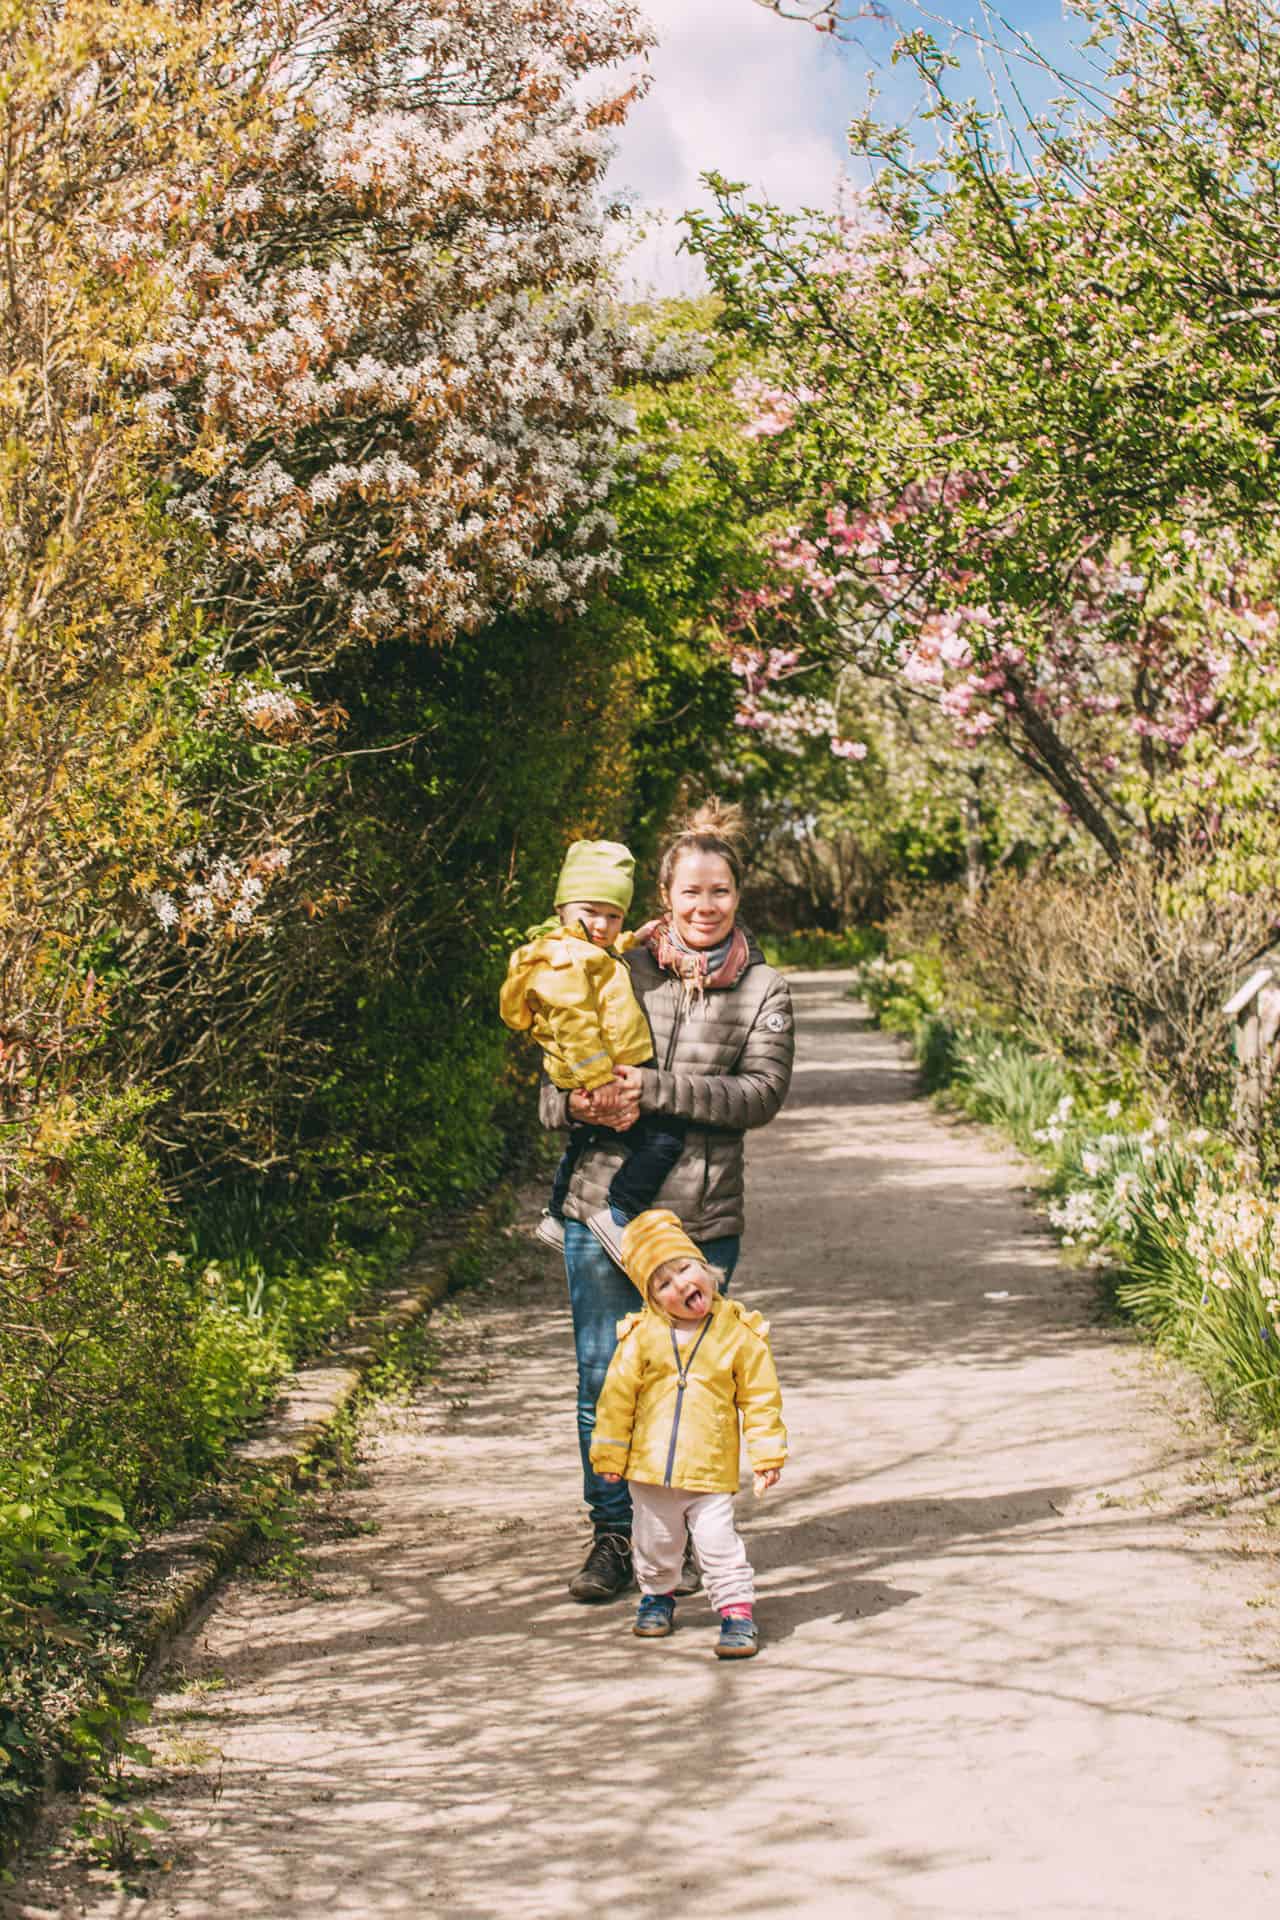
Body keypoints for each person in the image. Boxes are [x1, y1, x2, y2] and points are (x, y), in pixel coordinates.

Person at [541, 798, 795, 1603]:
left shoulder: (762, 990)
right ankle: (614, 1537)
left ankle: (677, 1537)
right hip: (600, 1214)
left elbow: (759, 1095)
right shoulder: (613, 968)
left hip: (699, 1220)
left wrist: (651, 1088)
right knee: (601, 1381)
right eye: (690, 891)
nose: (704, 905)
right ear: (665, 895)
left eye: (718, 891)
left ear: (737, 897)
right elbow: (550, 1088)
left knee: (694, 1384)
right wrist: (578, 1105)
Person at [591, 1208, 786, 1660]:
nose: (679, 1286)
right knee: (656, 1544)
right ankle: (658, 1595)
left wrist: (767, 1454)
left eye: (683, 1269)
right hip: (650, 1469)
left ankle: (737, 1611)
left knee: (719, 1544)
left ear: (705, 1267)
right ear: (654, 1300)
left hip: (710, 1467)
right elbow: (617, 1398)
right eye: (663, 1285)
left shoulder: (739, 1334)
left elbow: (760, 1398)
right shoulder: (641, 1338)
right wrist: (609, 1455)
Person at [499, 838, 686, 1261]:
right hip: (597, 1072)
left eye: (613, 916)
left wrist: (635, 936)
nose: (602, 926)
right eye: (591, 913)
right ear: (561, 909)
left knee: (584, 1141)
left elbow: (605, 955)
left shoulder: (582, 949)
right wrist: (598, 1080)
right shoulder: (565, 961)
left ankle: (558, 1217)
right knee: (663, 1139)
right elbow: (574, 1021)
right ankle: (618, 1213)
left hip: (592, 1073)